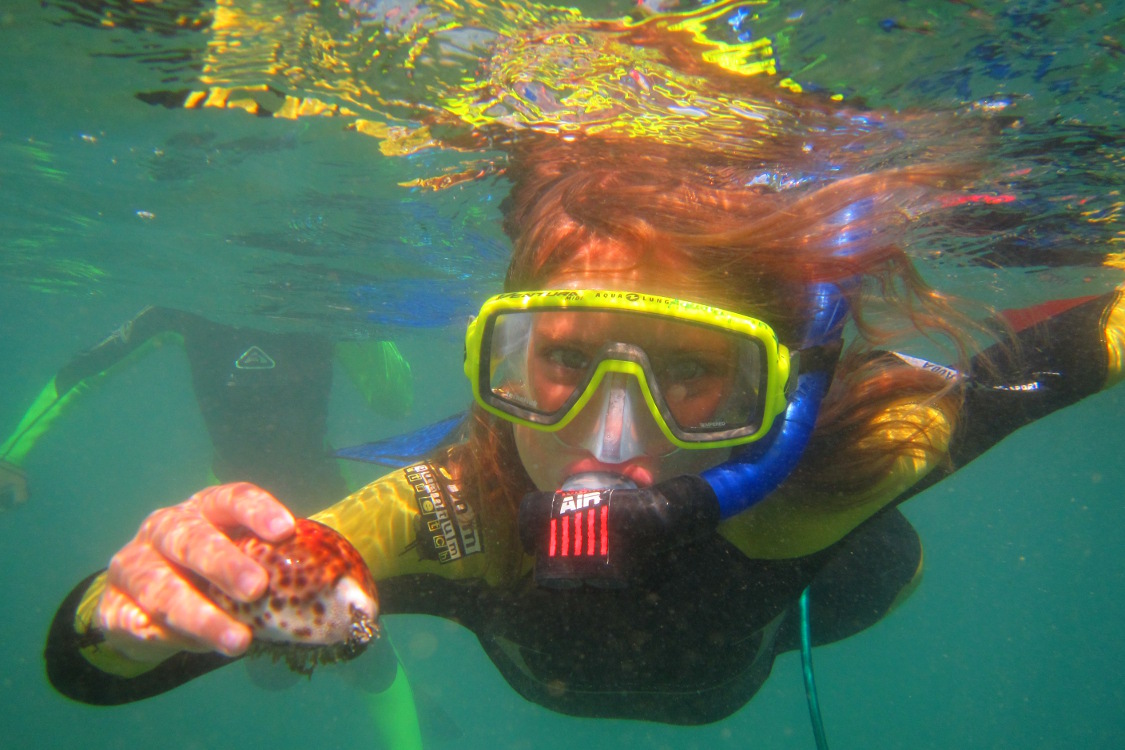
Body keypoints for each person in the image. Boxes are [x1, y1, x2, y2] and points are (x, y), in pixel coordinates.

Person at [41, 0, 1125, 735]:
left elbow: (1061, 356)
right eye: (560, 362)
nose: (613, 441)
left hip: (812, 588)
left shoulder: (847, 464)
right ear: (495, 356)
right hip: (709, 647)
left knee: (882, 564)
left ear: (786, 388)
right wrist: (129, 606)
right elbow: (96, 671)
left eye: (693, 375)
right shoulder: (451, 514)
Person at [1, 306, 413, 514]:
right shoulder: (182, 311)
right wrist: (10, 456)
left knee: (364, 645)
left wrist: (357, 316)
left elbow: (394, 403)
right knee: (248, 646)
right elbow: (86, 370)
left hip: (322, 498)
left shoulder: (323, 304)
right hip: (229, 500)